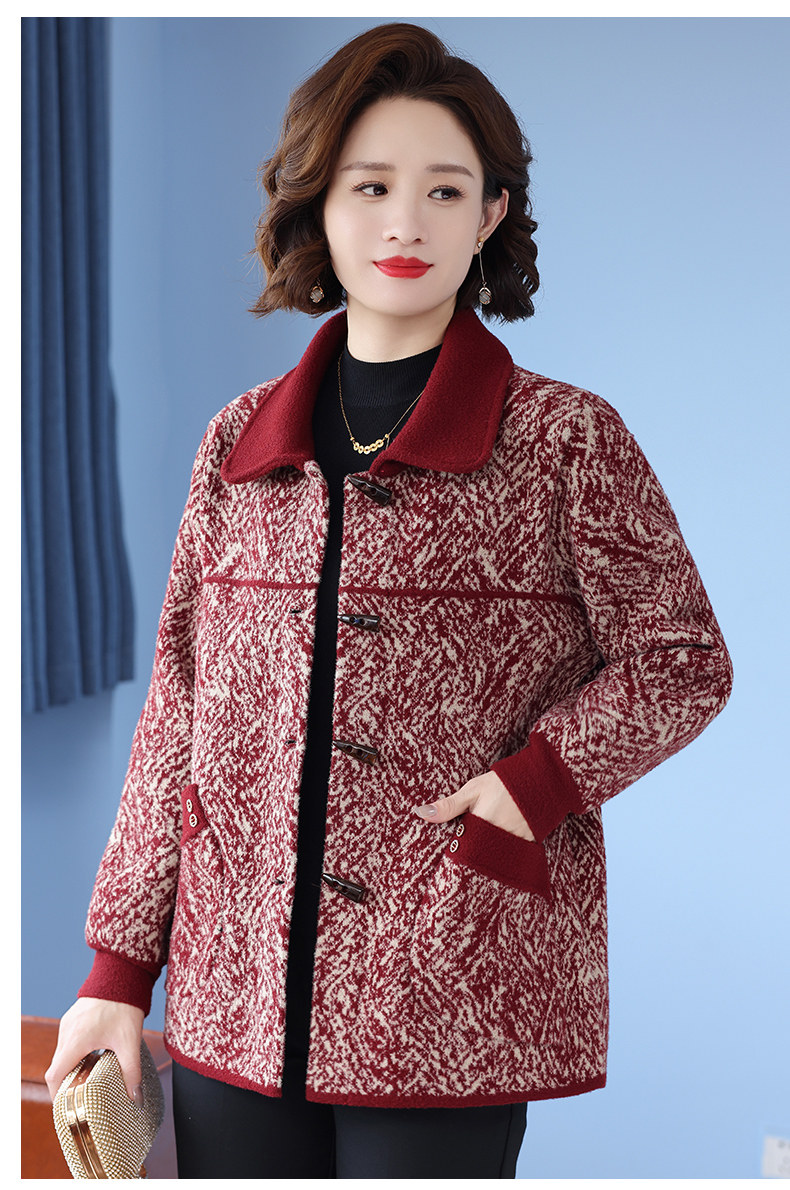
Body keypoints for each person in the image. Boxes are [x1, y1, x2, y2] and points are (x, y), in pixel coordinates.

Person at [45, 21, 733, 1179]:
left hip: (449, 981)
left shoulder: (565, 439)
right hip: (230, 992)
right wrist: (116, 971)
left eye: (444, 190)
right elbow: (178, 708)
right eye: (370, 187)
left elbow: (682, 659)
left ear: (491, 214)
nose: (405, 223)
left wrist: (531, 785)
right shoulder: (236, 442)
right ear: (320, 205)